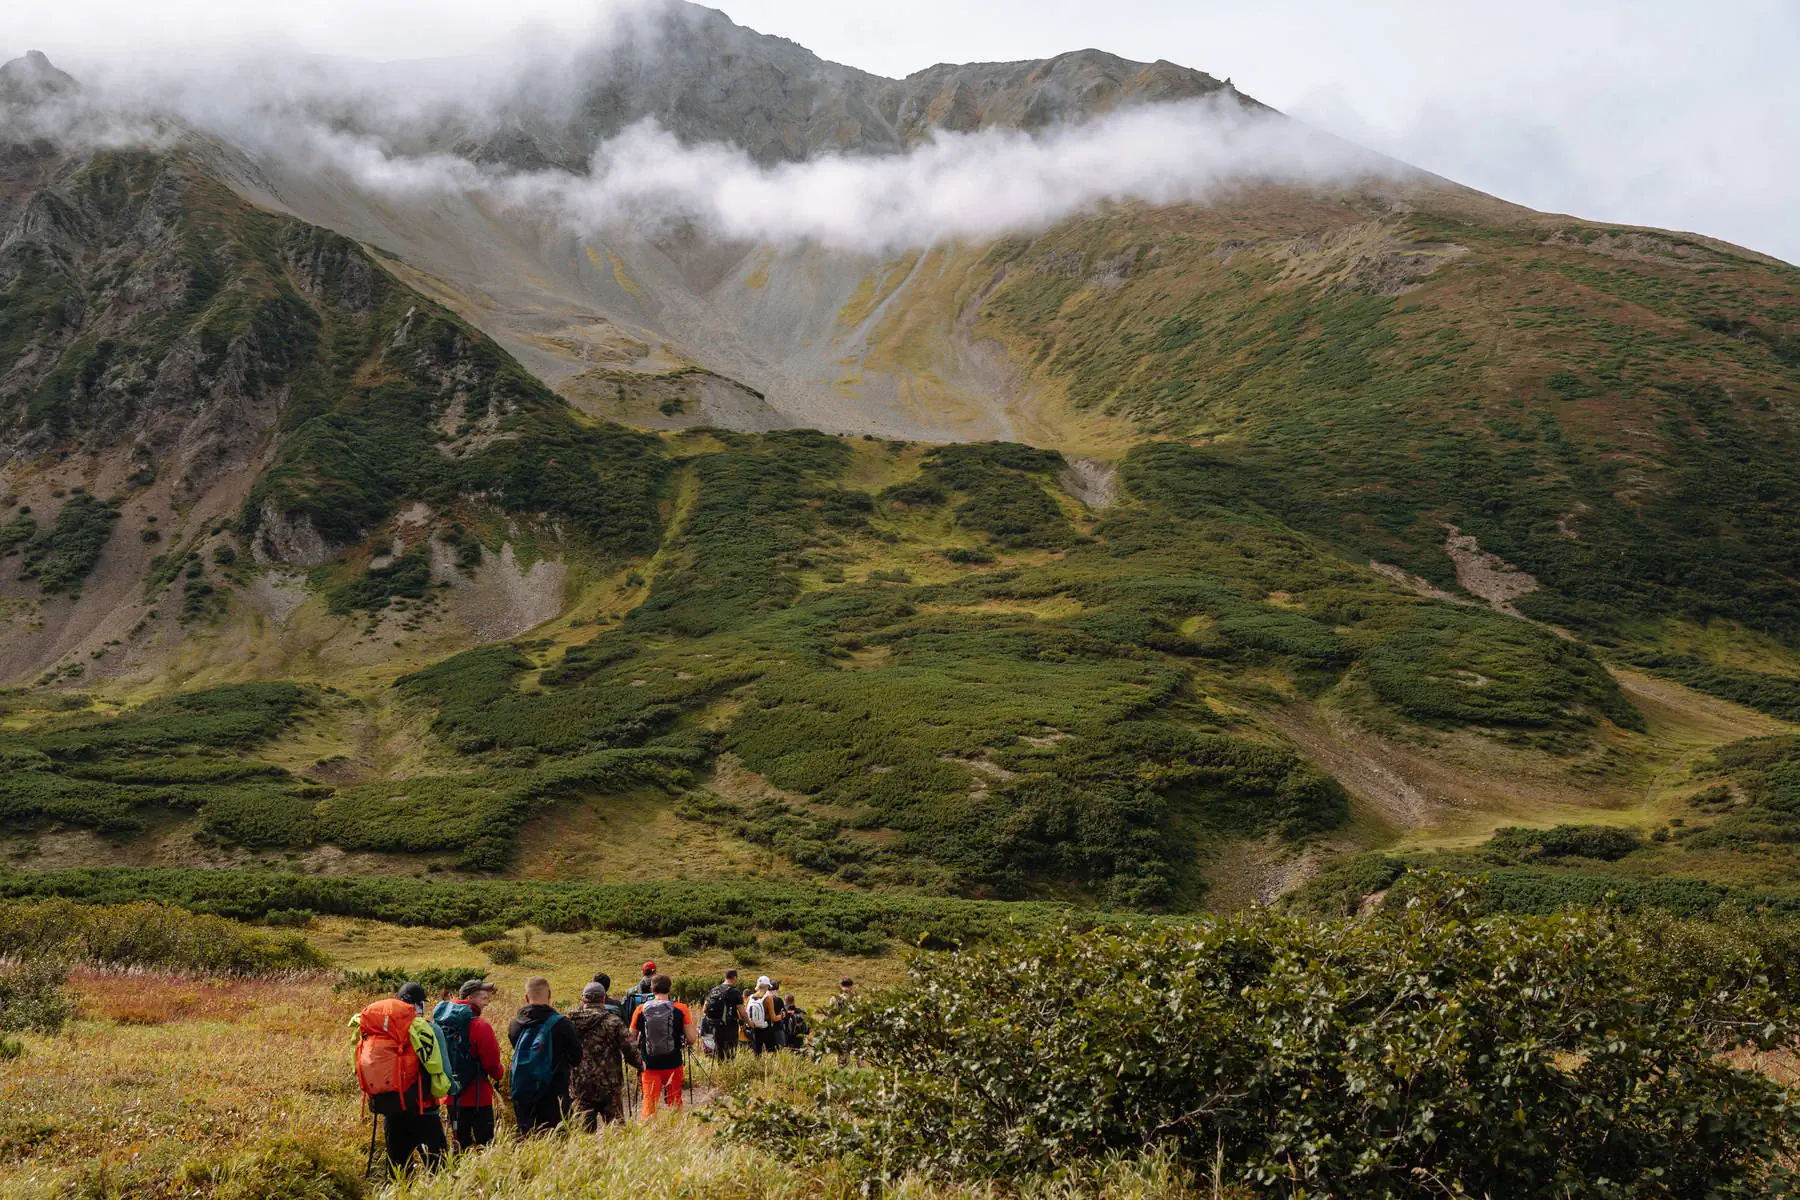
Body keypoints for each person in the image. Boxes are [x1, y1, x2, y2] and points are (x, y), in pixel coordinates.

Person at [352, 982, 450, 1172]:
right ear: (419, 1005)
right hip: (424, 1110)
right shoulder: (428, 1029)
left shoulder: (376, 1030)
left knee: (398, 1171)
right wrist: (447, 1090)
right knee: (440, 1170)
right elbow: (441, 1071)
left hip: (391, 1109)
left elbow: (357, 1067)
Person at [508, 976, 583, 1136]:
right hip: (555, 1094)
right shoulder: (562, 1024)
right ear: (549, 995)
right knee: (558, 1142)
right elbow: (576, 1057)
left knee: (528, 1140)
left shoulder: (515, 1025)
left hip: (524, 1093)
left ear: (526, 998)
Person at [436, 979, 505, 1151]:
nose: (486, 1002)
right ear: (470, 997)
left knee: (459, 1144)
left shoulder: (441, 1024)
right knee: (486, 1145)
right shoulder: (481, 1026)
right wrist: (500, 1075)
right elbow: (492, 1064)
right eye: (483, 998)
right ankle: (483, 1177)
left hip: (451, 1095)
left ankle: (459, 1174)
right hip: (478, 1097)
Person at [568, 980, 643, 1130]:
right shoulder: (613, 1021)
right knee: (617, 1132)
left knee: (583, 1133)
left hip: (580, 1085)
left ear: (583, 1000)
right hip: (610, 1085)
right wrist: (640, 1064)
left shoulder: (570, 1023)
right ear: (603, 999)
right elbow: (629, 1048)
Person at [629, 974, 696, 1116]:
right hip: (674, 1062)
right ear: (669, 989)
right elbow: (691, 1038)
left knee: (649, 1102)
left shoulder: (640, 1009)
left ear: (652, 990)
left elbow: (631, 1038)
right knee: (675, 1100)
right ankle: (677, 1132)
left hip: (649, 1063)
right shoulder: (681, 1008)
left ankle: (649, 1133)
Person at [701, 968, 745, 1062]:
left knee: (719, 1051)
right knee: (730, 1052)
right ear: (734, 978)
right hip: (729, 1027)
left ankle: (721, 1069)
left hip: (715, 1026)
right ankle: (729, 1070)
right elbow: (742, 1012)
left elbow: (704, 1009)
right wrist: (749, 1022)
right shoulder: (735, 991)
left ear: (725, 977)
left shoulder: (714, 990)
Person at [747, 976, 782, 1056]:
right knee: (771, 1052)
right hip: (767, 1027)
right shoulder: (768, 998)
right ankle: (769, 1068)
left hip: (755, 1028)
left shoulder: (750, 997)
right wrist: (782, 1016)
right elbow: (774, 1018)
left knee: (756, 1053)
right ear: (767, 986)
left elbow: (746, 1013)